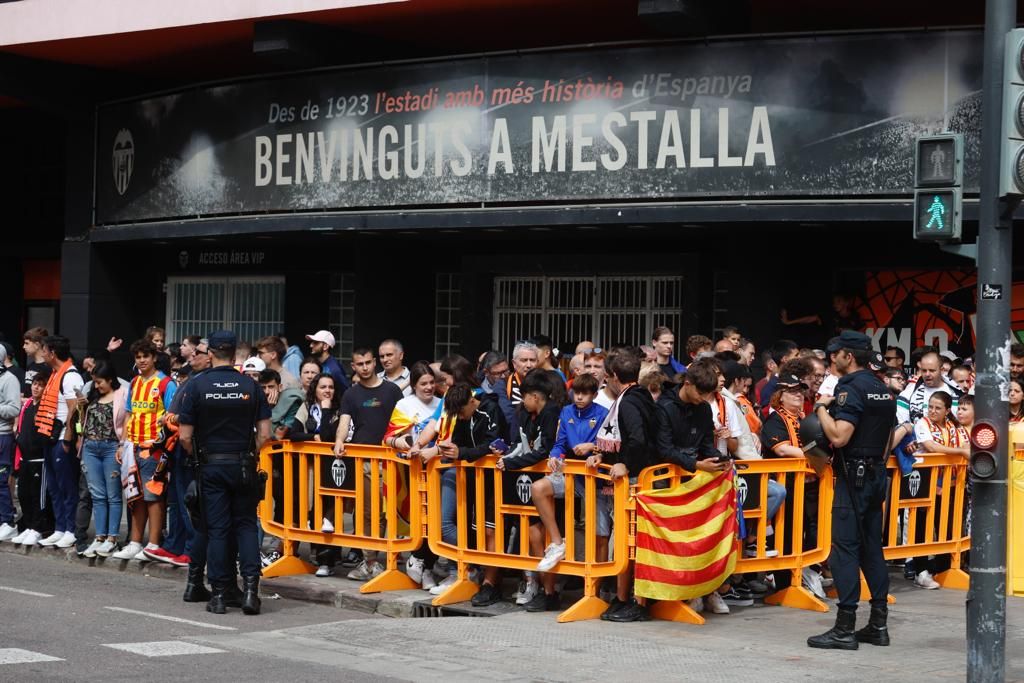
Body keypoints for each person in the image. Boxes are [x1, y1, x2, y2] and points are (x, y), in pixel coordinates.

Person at [807, 330, 896, 650]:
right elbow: (889, 435)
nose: (833, 360)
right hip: (876, 475)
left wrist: (820, 407)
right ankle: (878, 624)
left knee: (845, 549)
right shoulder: (881, 388)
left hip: (853, 477)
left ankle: (844, 628)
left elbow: (840, 437)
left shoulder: (850, 388)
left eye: (836, 355)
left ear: (848, 355)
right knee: (872, 547)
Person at [178, 330, 271, 615]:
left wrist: (200, 457)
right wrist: (249, 453)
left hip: (211, 465)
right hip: (242, 464)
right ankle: (251, 593)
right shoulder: (250, 385)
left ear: (210, 353)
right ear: (234, 354)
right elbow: (265, 433)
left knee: (217, 529)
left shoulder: (196, 386)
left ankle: (218, 595)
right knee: (244, 526)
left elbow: (184, 436)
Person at [652, 358, 737, 615]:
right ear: (687, 384)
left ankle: (707, 589)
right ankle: (680, 593)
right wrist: (698, 464)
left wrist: (720, 459)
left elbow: (705, 444)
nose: (704, 398)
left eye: (708, 394)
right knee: (676, 542)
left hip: (697, 478)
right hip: (667, 481)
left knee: (705, 538)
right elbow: (663, 448)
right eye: (701, 392)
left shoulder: (702, 408)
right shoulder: (664, 407)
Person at [528, 372, 610, 607]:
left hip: (596, 480)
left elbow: (611, 445)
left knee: (601, 534)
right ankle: (557, 543)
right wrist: (554, 457)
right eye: (577, 393)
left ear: (594, 395)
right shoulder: (566, 413)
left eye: (585, 394)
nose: (580, 398)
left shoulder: (603, 414)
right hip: (570, 476)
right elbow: (560, 443)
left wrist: (594, 447)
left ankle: (599, 588)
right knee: (539, 487)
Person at [332, 347, 404, 580]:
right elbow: (344, 422)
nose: (364, 367)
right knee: (364, 512)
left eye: (367, 363)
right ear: (353, 367)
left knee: (388, 512)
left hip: (391, 460)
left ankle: (387, 560)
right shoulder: (351, 394)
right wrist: (339, 441)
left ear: (375, 363)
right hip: (363, 460)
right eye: (359, 364)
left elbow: (402, 422)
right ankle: (369, 561)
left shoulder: (392, 390)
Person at [111, 339, 176, 561]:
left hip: (155, 449)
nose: (141, 361)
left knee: (154, 497)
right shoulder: (135, 382)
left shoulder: (167, 384)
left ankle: (154, 544)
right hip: (133, 447)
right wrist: (123, 444)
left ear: (154, 357)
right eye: (138, 357)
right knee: (135, 496)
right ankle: (135, 542)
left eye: (145, 356)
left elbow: (172, 415)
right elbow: (129, 414)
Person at [382, 363, 442, 588]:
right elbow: (388, 437)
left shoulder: (442, 403)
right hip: (412, 473)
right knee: (420, 519)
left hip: (439, 471)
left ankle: (426, 565)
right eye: (423, 384)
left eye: (431, 383)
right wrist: (404, 442)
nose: (428, 387)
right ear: (414, 385)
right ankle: (416, 559)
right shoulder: (404, 405)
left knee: (436, 521)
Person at [908, 390, 968, 590]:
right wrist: (960, 452)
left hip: (950, 485)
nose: (933, 411)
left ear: (947, 410)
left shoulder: (954, 426)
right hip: (925, 483)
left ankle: (943, 569)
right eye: (930, 407)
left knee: (947, 528)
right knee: (922, 528)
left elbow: (966, 443)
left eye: (938, 408)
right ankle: (920, 572)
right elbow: (930, 447)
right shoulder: (922, 423)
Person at [290, 371, 343, 576]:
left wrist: (327, 411)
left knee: (330, 514)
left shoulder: (339, 410)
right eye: (323, 387)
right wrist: (313, 437)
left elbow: (330, 437)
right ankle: (318, 556)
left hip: (334, 469)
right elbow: (294, 433)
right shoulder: (306, 407)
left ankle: (327, 561)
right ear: (315, 389)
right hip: (311, 469)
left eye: (330, 387)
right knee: (315, 513)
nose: (327, 391)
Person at [35, 335, 85, 550]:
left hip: (62, 439)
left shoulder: (71, 376)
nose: (42, 353)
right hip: (49, 436)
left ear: (52, 352)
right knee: (54, 487)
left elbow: (76, 411)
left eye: (44, 350)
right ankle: (59, 528)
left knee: (67, 487)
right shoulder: (56, 373)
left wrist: (69, 438)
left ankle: (70, 530)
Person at [76, 363, 127, 557]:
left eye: (99, 382)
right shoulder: (93, 396)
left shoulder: (123, 394)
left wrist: (122, 445)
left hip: (111, 446)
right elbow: (84, 422)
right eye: (95, 382)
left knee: (113, 494)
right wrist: (82, 408)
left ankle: (112, 538)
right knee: (96, 494)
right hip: (90, 446)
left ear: (110, 380)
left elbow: (127, 421)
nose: (96, 386)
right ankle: (100, 537)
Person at [10, 371, 54, 546]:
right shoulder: (27, 404)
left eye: (41, 384)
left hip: (38, 459)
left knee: (38, 496)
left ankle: (38, 528)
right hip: (25, 458)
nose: (36, 387)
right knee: (23, 494)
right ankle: (28, 525)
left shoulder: (44, 407)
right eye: (35, 383)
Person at [896, 350, 962, 424]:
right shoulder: (908, 394)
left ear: (941, 370)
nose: (927, 374)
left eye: (932, 370)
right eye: (924, 370)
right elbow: (902, 425)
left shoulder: (956, 392)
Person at [0, 342, 22, 541]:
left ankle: (7, 521)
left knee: (1, 479)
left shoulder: (9, 380)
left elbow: (14, 409)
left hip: (3, 436)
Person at [506, 341, 539, 406]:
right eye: (524, 360)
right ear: (514, 363)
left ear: (537, 362)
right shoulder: (503, 383)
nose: (529, 365)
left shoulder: (546, 382)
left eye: (532, 360)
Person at [20, 327, 50, 397]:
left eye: (27, 343)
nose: (23, 347)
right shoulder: (30, 366)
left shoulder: (48, 367)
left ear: (36, 345)